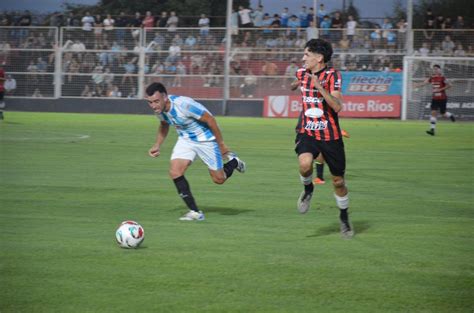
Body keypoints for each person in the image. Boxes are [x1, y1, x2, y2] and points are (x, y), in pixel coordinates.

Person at [145, 82, 246, 221]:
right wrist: (157, 145)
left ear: (165, 97)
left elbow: (210, 120)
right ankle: (195, 212)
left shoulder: (184, 105)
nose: (154, 105)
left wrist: (221, 144)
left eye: (156, 101)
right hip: (186, 139)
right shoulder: (159, 110)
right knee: (175, 172)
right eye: (150, 102)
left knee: (219, 179)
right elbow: (163, 124)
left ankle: (234, 162)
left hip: (206, 140)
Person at [292, 38, 353, 239]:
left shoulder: (332, 75)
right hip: (307, 130)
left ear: (319, 58)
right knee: (304, 163)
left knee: (338, 181)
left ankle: (344, 217)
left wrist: (318, 86)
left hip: (330, 135)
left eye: (306, 55)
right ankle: (308, 189)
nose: (303, 58)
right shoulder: (302, 72)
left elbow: (337, 106)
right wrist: (296, 83)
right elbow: (298, 80)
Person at [414, 64, 455, 136]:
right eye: (434, 69)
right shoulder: (431, 78)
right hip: (434, 98)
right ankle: (432, 130)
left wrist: (440, 89)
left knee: (443, 113)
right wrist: (418, 85)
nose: (435, 70)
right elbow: (424, 83)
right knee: (433, 112)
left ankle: (451, 115)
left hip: (442, 98)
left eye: (436, 69)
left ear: (439, 70)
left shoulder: (443, 78)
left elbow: (450, 85)